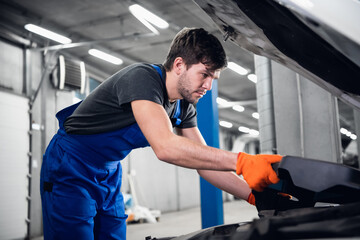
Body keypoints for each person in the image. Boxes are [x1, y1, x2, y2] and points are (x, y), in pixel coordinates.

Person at [40, 27, 281, 240]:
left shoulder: (185, 107)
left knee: (112, 233)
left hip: (108, 172)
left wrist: (255, 197)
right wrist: (242, 161)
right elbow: (165, 147)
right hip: (69, 166)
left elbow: (205, 163)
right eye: (204, 74)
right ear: (179, 65)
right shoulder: (142, 79)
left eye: (213, 78)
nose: (208, 86)